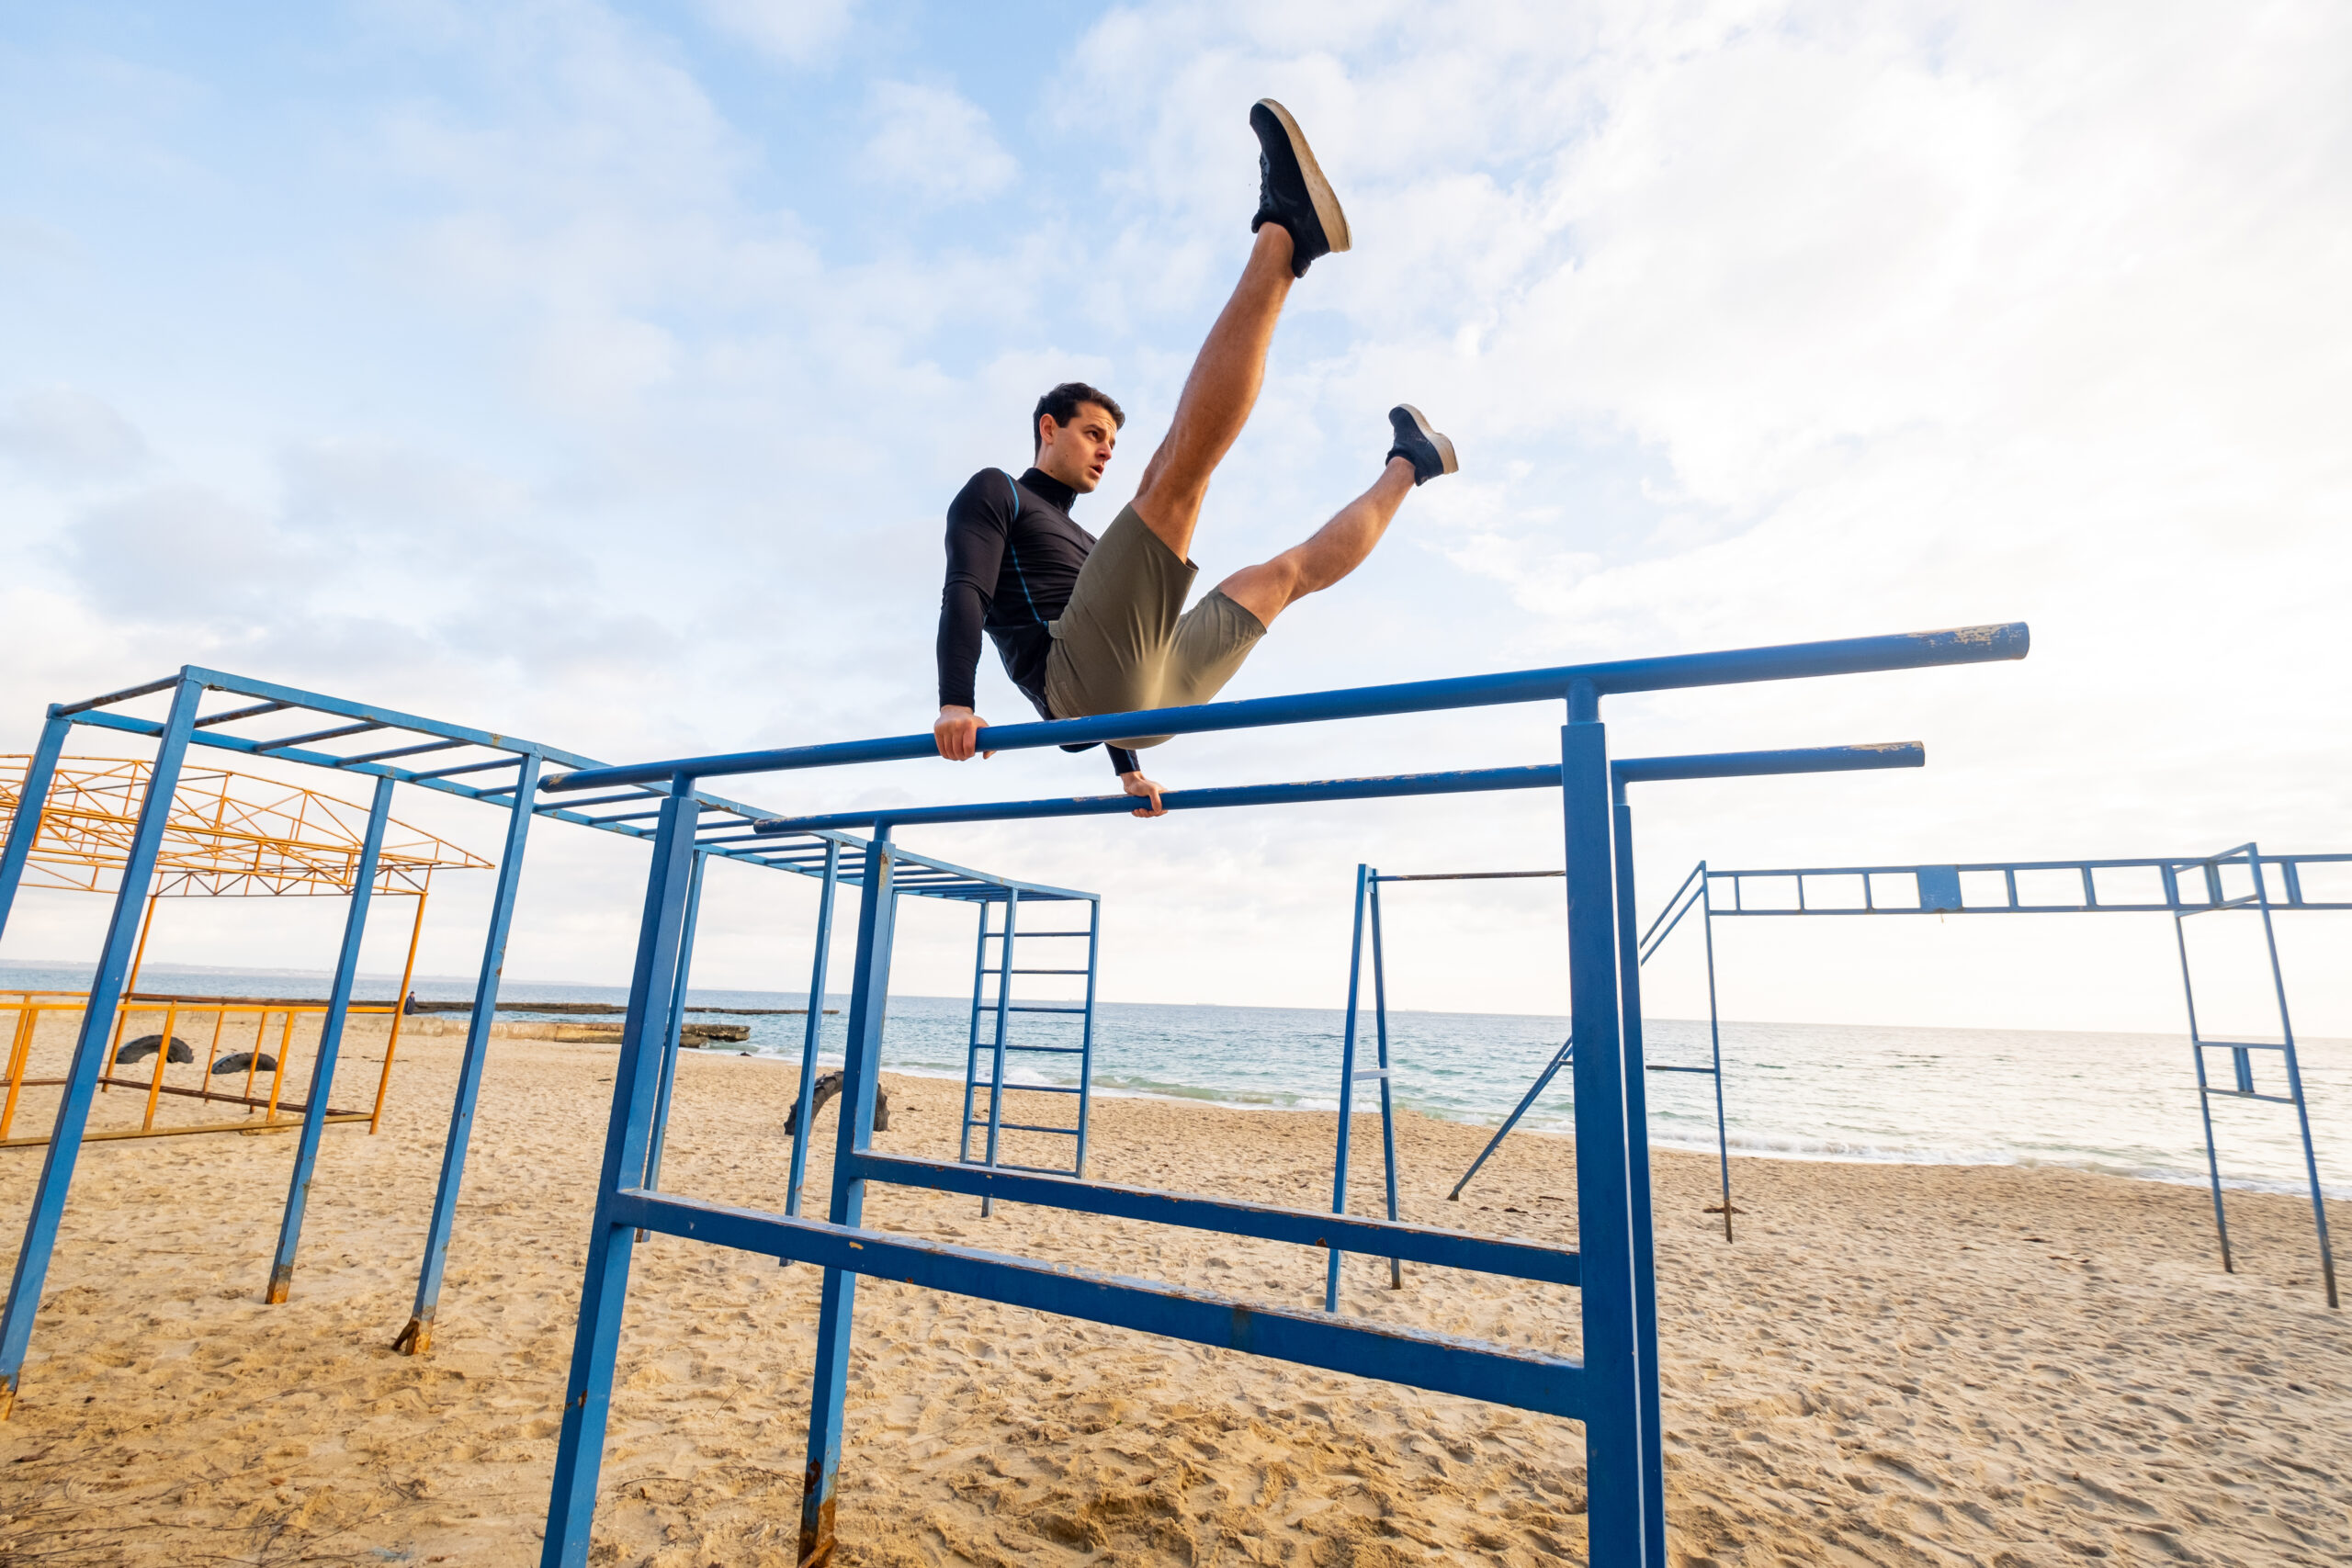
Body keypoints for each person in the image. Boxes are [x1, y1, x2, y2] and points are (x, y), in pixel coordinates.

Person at [933, 98, 1458, 817]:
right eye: (1092, 435)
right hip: (1079, 689)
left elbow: (1118, 640)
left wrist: (1128, 770)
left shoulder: (1090, 544)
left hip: (1141, 703)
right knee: (1175, 476)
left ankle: (1410, 464)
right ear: (1047, 428)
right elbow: (967, 587)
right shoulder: (999, 493)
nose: (1104, 453)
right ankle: (1285, 234)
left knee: (1282, 576)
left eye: (1111, 444)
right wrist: (955, 703)